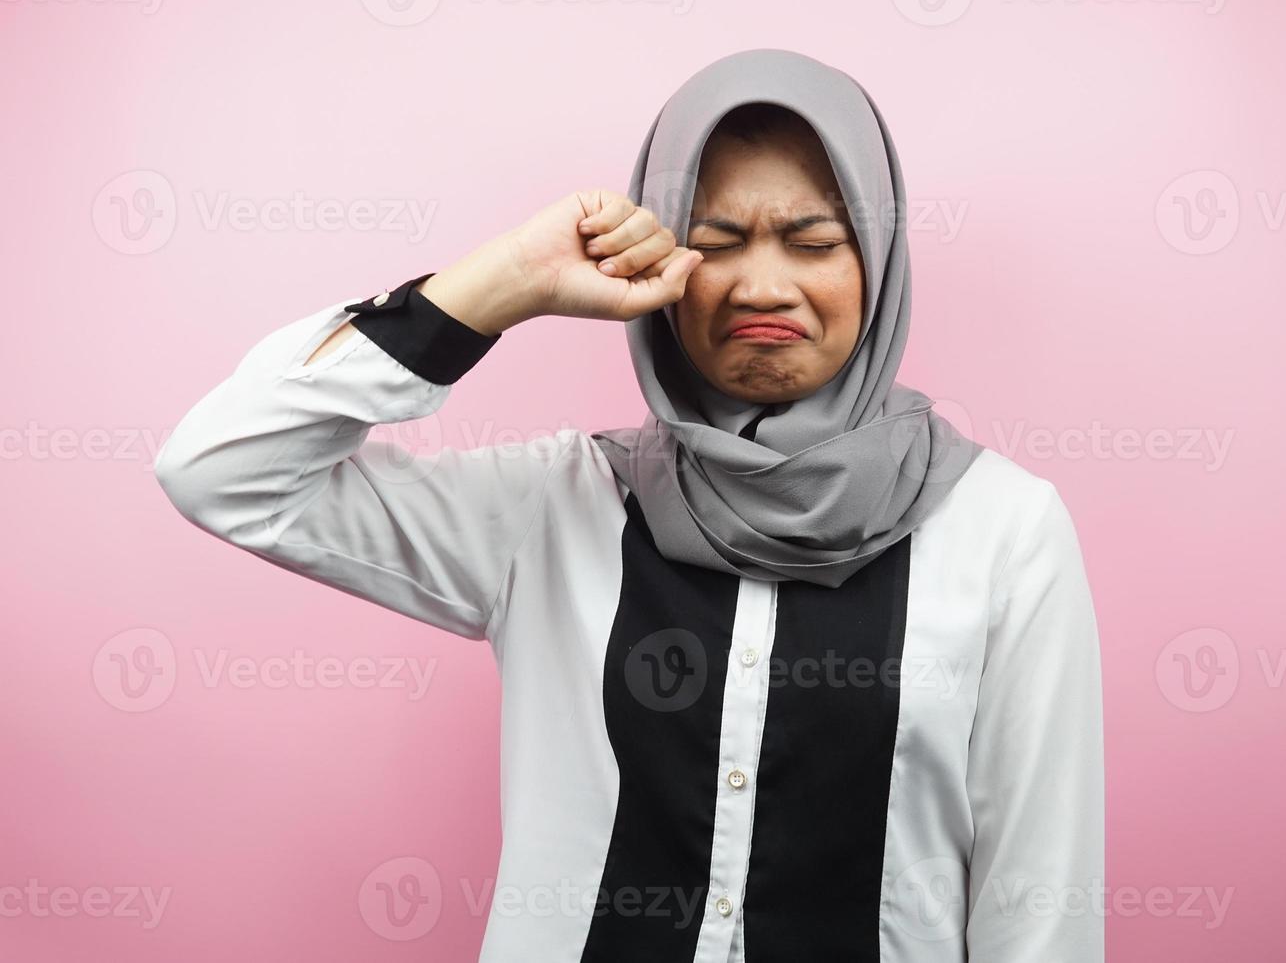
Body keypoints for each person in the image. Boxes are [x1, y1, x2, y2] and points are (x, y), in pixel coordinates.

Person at [155, 48, 1104, 962]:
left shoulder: (1001, 531)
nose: (762, 286)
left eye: (815, 242)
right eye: (713, 242)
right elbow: (222, 469)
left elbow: (1039, 900)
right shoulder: (555, 507)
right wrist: (499, 285)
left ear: (882, 262)